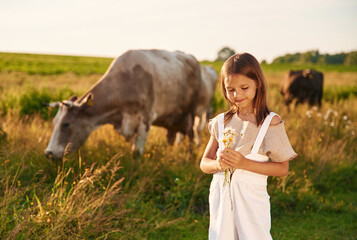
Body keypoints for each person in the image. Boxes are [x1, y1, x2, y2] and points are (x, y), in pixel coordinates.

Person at [200, 53, 297, 240]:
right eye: (230, 90)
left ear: (258, 83)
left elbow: (282, 169)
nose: (237, 95)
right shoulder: (221, 122)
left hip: (251, 204)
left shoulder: (269, 122)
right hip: (221, 201)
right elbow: (204, 163)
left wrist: (244, 163)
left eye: (244, 87)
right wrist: (218, 165)